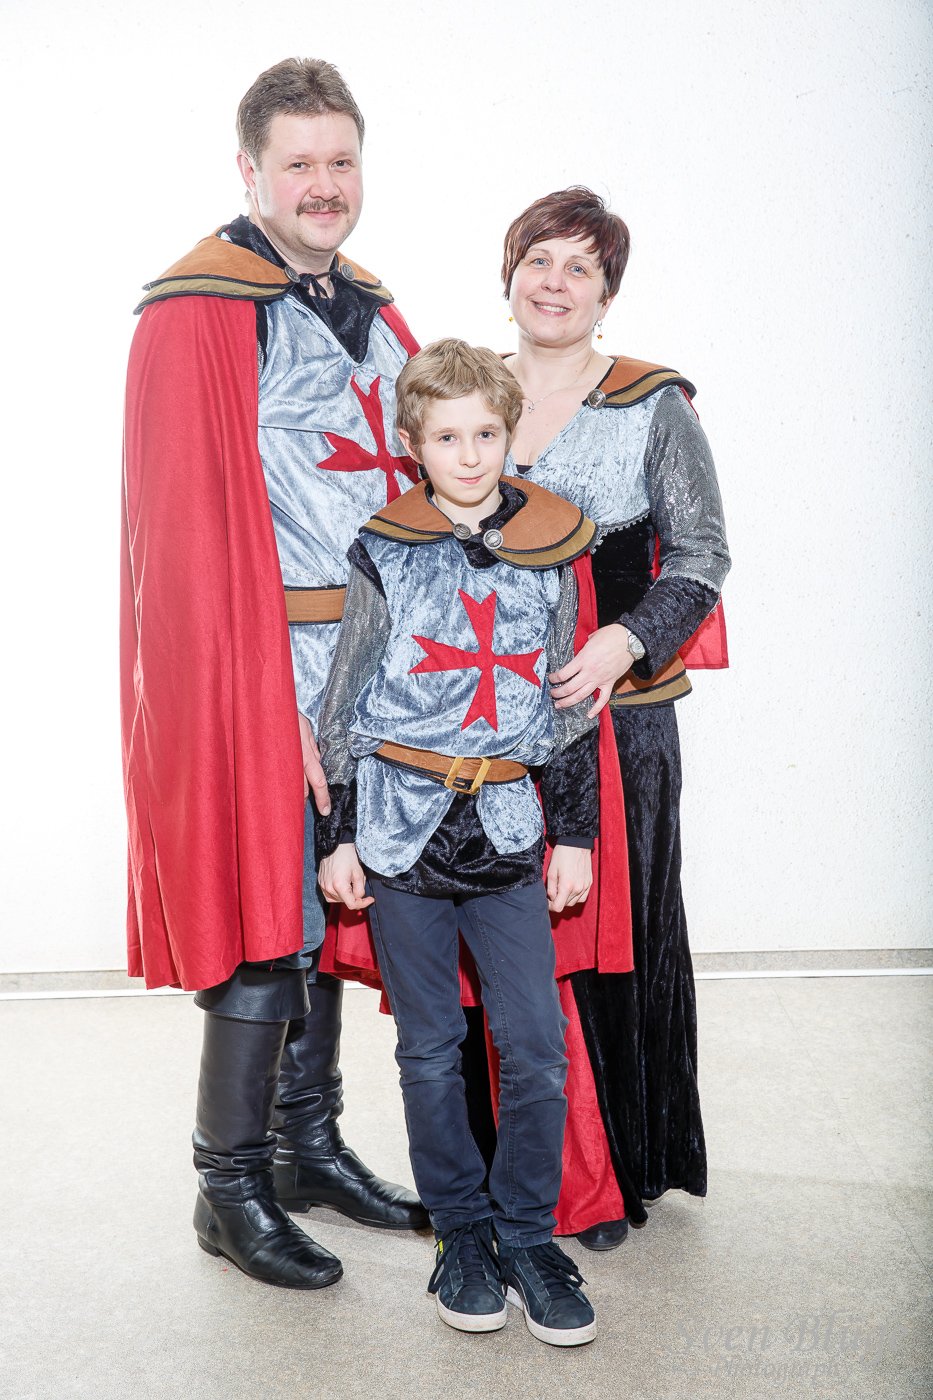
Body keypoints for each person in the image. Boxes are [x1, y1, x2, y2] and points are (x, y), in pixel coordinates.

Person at [120, 57, 429, 1291]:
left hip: (370, 665)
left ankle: (307, 1148)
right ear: (249, 169)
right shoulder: (200, 308)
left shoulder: (374, 306)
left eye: (341, 160)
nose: (324, 184)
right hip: (259, 661)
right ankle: (227, 1183)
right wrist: (260, 698)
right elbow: (187, 542)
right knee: (265, 918)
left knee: (329, 903)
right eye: (298, 162)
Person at [316, 340, 598, 1345]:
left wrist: (577, 832)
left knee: (535, 1045)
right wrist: (339, 834)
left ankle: (526, 1234)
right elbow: (344, 696)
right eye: (447, 437)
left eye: (486, 433)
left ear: (508, 431)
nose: (469, 455)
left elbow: (569, 701)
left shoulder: (551, 542)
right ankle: (463, 1235)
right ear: (413, 443)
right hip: (402, 832)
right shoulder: (384, 546)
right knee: (431, 1049)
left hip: (508, 827)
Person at [499, 187, 731, 1249]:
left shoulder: (651, 403)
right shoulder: (462, 389)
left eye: (579, 267)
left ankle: (610, 1169)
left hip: (617, 718)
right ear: (509, 274)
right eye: (538, 260)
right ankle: (509, 1166)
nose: (554, 283)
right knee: (495, 943)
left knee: (607, 938)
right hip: (482, 729)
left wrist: (624, 641)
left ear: (607, 293)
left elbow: (701, 556)